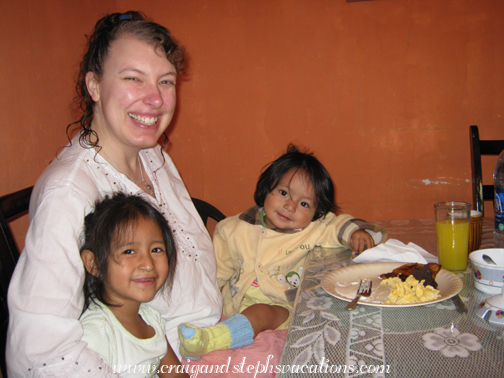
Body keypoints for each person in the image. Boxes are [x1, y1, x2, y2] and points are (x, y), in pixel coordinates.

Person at [6, 11, 222, 377]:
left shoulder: (152, 155)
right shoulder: (69, 192)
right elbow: (39, 353)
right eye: (133, 79)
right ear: (94, 86)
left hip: (215, 337)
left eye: (165, 81)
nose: (155, 99)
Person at [177, 144, 387, 359]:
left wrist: (355, 233)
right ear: (266, 188)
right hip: (234, 303)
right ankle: (219, 330)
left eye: (304, 203)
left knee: (261, 312)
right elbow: (217, 274)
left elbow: (336, 225)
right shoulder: (231, 228)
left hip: (281, 307)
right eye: (283, 192)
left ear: (317, 212)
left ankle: (210, 340)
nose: (290, 206)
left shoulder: (312, 230)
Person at [79, 193, 187, 378]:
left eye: (156, 250)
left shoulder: (151, 319)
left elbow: (176, 375)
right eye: (129, 251)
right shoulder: (96, 333)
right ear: (94, 264)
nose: (148, 264)